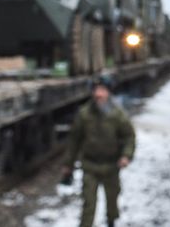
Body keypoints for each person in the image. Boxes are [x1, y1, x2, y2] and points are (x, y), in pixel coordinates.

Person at [62, 76, 136, 227]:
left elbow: (129, 136)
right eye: (96, 90)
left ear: (108, 92)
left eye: (102, 90)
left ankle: (111, 221)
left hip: (111, 165)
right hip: (90, 166)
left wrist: (126, 156)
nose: (99, 94)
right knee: (88, 203)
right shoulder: (84, 114)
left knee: (112, 199)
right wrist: (68, 164)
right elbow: (74, 141)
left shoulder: (117, 114)